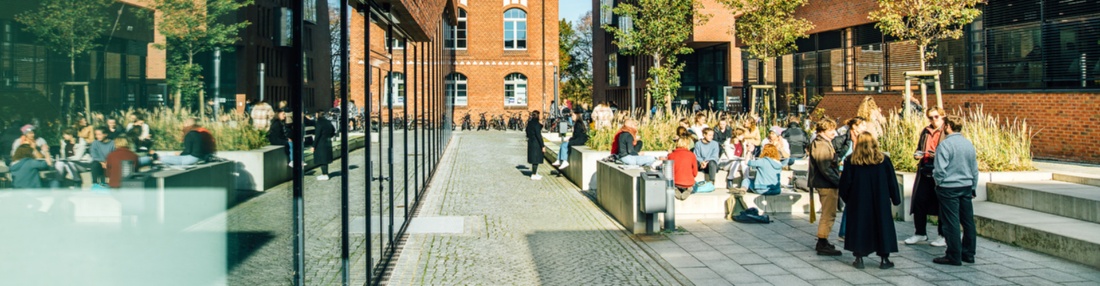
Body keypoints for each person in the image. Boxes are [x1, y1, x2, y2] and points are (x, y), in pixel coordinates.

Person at [839, 132, 902, 269]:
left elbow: (845, 183)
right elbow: (892, 181)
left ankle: (859, 258)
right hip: (880, 200)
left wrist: (848, 198)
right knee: (882, 226)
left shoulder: (851, 161)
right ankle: (884, 259)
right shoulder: (883, 160)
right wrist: (895, 199)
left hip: (859, 201)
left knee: (859, 226)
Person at [932, 115, 979, 266]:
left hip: (948, 187)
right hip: (966, 186)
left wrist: (938, 183)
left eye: (944, 125)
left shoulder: (945, 145)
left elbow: (940, 170)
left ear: (948, 126)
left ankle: (953, 255)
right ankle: (968, 253)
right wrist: (973, 186)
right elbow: (974, 169)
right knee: (968, 221)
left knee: (951, 222)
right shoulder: (968, 144)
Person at [905, 107, 948, 247]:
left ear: (942, 116)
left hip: (939, 170)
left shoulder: (946, 131)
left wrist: (936, 155)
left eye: (936, 117)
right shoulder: (926, 131)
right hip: (925, 168)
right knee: (919, 200)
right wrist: (918, 154)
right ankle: (920, 233)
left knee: (941, 202)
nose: (933, 120)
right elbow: (919, 147)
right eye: (930, 117)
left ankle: (942, 235)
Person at [808, 118, 843, 256]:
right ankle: (822, 242)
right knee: (828, 213)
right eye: (830, 130)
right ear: (822, 131)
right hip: (826, 184)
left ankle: (823, 240)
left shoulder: (822, 142)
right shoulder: (821, 144)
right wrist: (839, 182)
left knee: (829, 213)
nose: (834, 133)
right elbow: (825, 168)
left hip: (825, 182)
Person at [309, 109, 336, 180]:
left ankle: (325, 174)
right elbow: (333, 130)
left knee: (322, 159)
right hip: (327, 142)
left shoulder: (319, 123)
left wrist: (313, 146)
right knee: (325, 159)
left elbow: (317, 135)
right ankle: (325, 173)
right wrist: (329, 136)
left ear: (317, 114)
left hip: (320, 144)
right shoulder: (328, 122)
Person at [525, 110, 546, 180]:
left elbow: (527, 131)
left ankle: (535, 173)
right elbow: (538, 135)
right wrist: (542, 146)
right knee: (536, 159)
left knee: (534, 159)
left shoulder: (530, 123)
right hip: (536, 143)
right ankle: (534, 174)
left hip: (531, 142)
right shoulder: (536, 124)